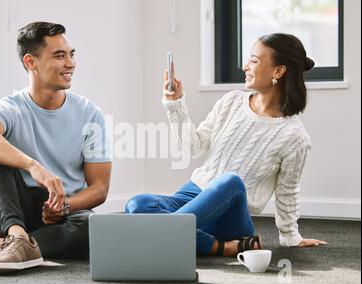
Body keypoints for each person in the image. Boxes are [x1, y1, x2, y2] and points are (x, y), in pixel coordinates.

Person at [126, 33, 327, 257]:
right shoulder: (231, 101)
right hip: (193, 196)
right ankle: (218, 246)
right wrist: (175, 105)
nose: (245, 66)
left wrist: (291, 237)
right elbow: (194, 147)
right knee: (137, 204)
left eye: (254, 60)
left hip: (230, 215)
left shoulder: (295, 135)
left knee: (230, 181)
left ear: (278, 71)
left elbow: (287, 191)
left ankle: (167, 233)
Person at [0, 22, 112, 273]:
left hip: (62, 210)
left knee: (93, 226)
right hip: (14, 206)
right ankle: (17, 235)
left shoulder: (90, 114)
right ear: (31, 62)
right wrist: (33, 165)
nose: (71, 63)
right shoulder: (11, 107)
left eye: (71, 55)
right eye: (60, 56)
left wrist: (63, 206)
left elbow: (100, 189)